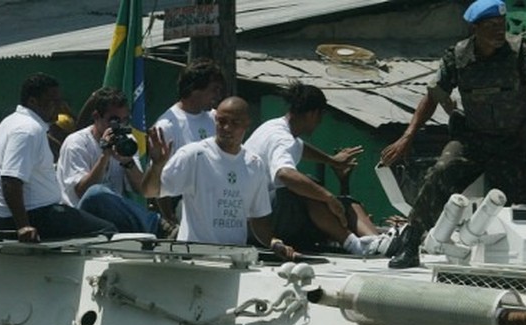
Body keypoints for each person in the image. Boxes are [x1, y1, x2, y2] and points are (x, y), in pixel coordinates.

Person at [380, 0, 526, 269]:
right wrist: (408, 137)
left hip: (514, 142)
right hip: (473, 138)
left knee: (516, 207)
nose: (499, 32)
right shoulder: (457, 57)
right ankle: (410, 243)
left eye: (502, 25)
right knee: (442, 171)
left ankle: (513, 262)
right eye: (492, 26)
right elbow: (432, 97)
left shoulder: (519, 51)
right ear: (475, 28)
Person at [144, 97, 295, 258]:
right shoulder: (194, 155)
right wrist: (157, 165)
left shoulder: (254, 164)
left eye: (235, 123)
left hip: (234, 261)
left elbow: (258, 219)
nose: (227, 128)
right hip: (195, 260)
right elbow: (150, 191)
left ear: (247, 124)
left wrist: (274, 243)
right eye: (221, 121)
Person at [0, 72, 117, 242]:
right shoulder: (28, 130)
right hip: (30, 217)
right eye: (53, 101)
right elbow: (10, 181)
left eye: (60, 100)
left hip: (8, 216)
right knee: (108, 230)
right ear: (32, 102)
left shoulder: (12, 121)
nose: (60, 107)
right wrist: (23, 226)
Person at [244, 81, 377, 255]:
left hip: (261, 216)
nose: (319, 123)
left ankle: (378, 242)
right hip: (257, 225)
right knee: (306, 187)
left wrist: (332, 161)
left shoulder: (274, 127)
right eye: (321, 117)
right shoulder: (282, 138)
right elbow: (284, 174)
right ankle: (354, 245)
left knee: (347, 203)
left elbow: (300, 147)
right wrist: (328, 197)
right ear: (313, 114)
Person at [56, 86, 162, 235]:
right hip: (80, 218)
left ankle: (158, 227)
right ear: (96, 116)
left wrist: (128, 162)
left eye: (125, 120)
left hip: (111, 219)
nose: (119, 126)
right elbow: (82, 192)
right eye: (114, 121)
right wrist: (104, 156)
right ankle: (157, 226)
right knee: (96, 192)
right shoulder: (77, 143)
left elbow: (142, 190)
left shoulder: (127, 140)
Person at [152, 58, 226, 226]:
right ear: (194, 89)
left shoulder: (216, 119)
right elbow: (158, 178)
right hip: (185, 201)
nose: (217, 96)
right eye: (213, 90)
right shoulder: (167, 126)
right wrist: (169, 219)